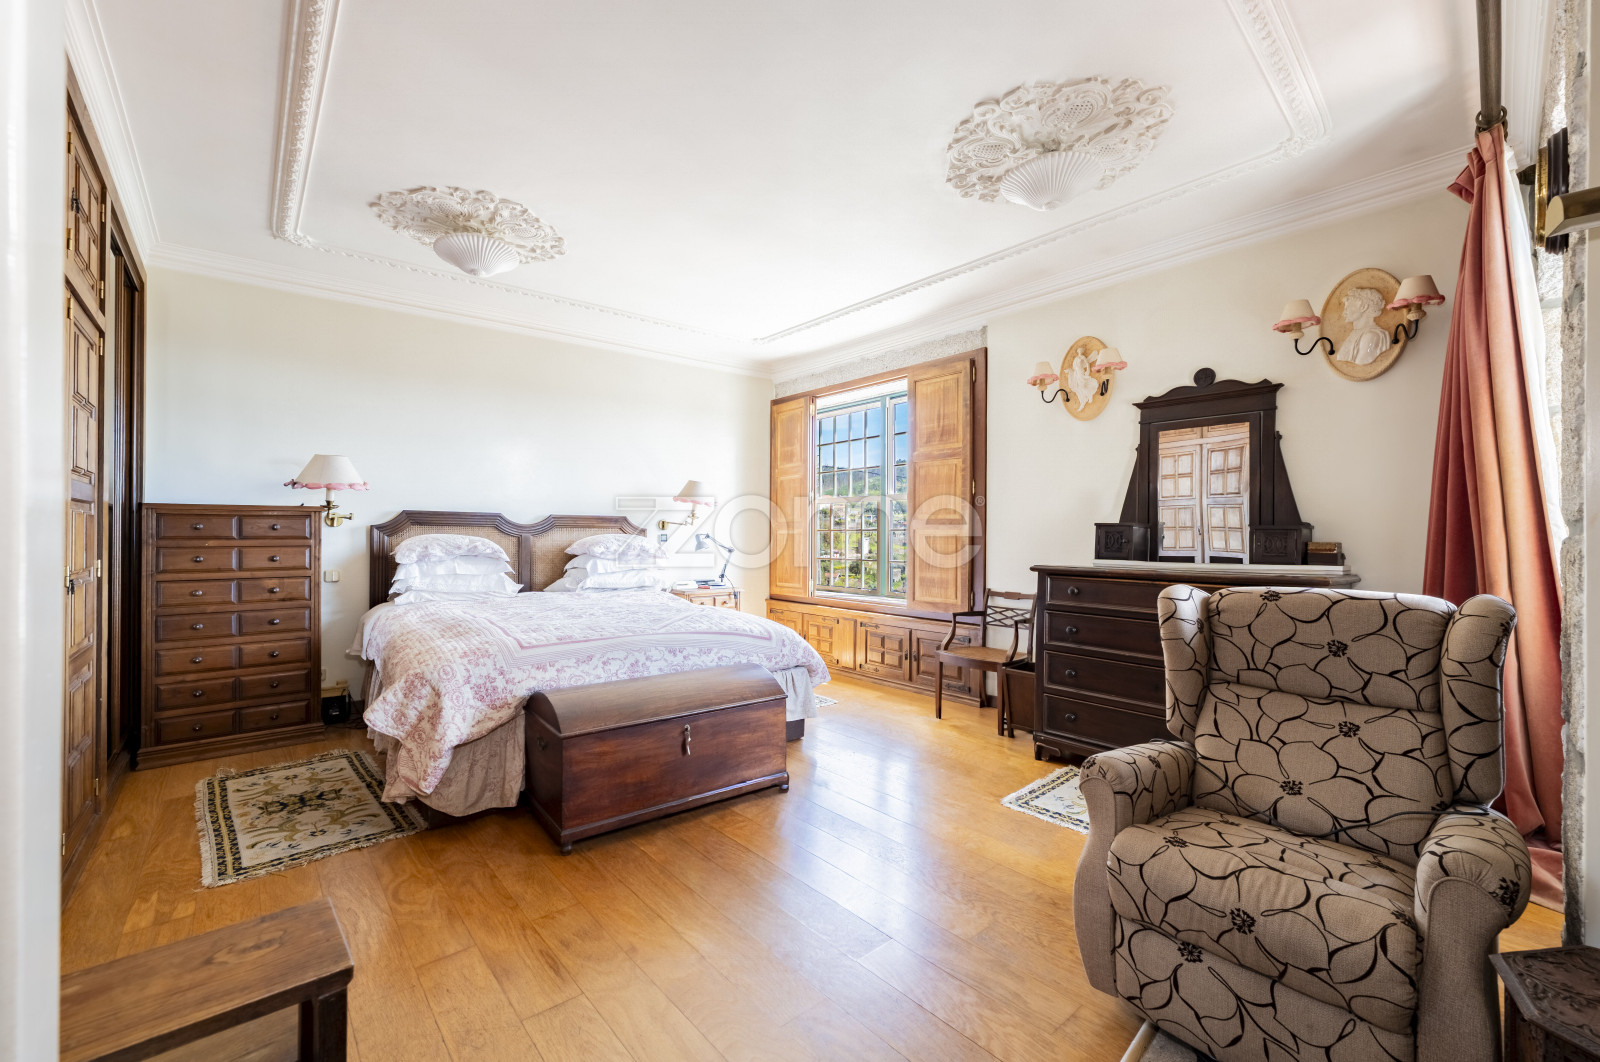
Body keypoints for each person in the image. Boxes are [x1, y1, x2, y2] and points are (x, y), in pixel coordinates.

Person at [1335, 286, 1390, 366]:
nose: (1344, 312)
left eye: (1347, 308)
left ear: (1364, 307)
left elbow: (1362, 364)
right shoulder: (1356, 333)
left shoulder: (1371, 335)